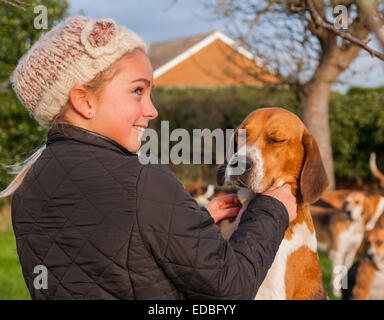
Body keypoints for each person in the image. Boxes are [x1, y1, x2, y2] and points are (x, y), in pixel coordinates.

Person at [1, 15, 297, 300]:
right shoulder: (142, 178)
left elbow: (111, 255)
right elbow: (231, 288)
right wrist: (271, 210)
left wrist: (192, 223)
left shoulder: (30, 186)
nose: (152, 110)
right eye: (138, 91)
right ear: (84, 101)